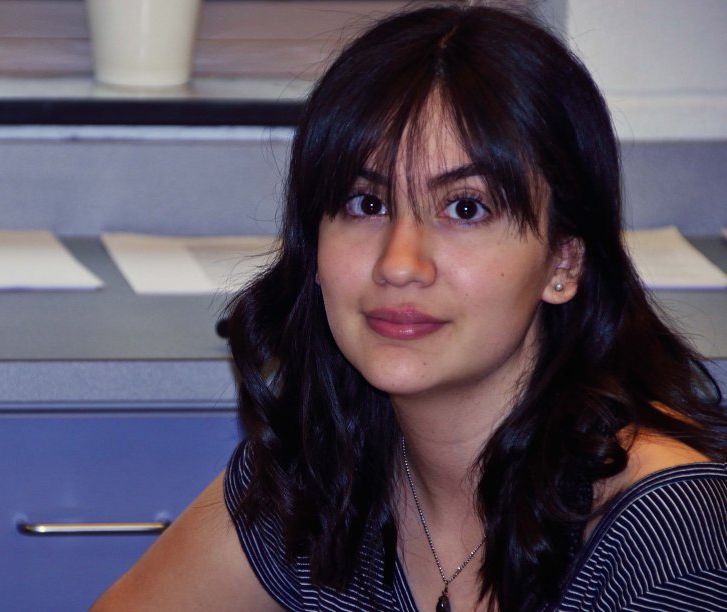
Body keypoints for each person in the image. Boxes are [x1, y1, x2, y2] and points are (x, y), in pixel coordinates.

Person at [92, 5, 727, 611]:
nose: (399, 263)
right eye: (366, 204)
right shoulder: (329, 463)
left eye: (465, 208)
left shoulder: (669, 538)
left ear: (563, 262)